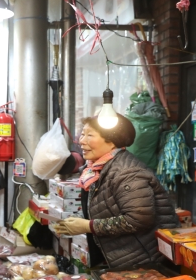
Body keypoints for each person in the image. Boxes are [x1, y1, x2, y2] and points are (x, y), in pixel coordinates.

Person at [54, 114, 179, 267]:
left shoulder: (126, 172)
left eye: (90, 135)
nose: (81, 141)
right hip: (122, 259)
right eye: (82, 134)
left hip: (145, 262)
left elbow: (138, 219)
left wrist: (88, 226)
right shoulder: (96, 169)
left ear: (112, 140)